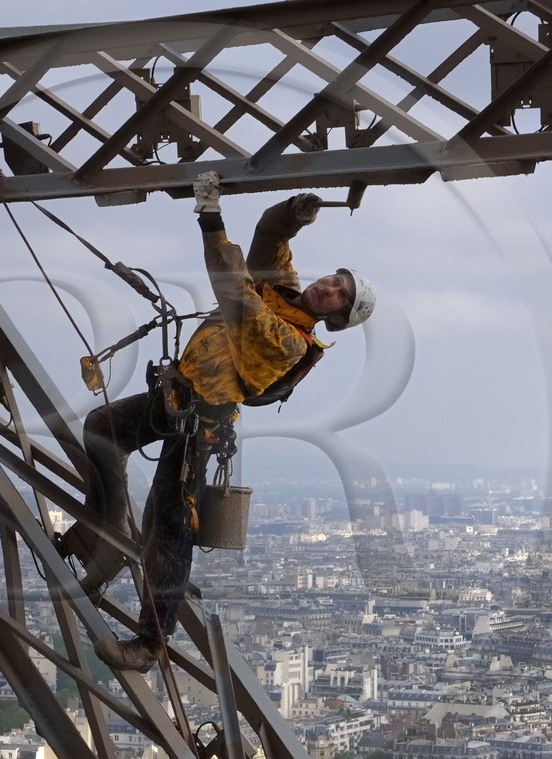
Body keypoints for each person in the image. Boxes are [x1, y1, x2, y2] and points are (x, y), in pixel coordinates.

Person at [74, 171, 377, 672]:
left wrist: (209, 216)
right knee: (100, 427)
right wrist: (294, 213)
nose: (330, 288)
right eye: (334, 280)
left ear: (337, 318)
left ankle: (150, 644)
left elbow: (235, 293)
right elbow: (270, 239)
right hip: (175, 397)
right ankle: (109, 520)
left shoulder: (289, 340)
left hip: (200, 426)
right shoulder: (281, 288)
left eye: (341, 296)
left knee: (169, 528)